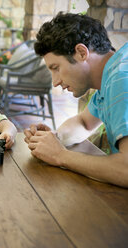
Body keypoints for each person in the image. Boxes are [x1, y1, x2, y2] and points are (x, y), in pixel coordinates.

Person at [23, 12, 128, 187]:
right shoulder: (110, 78)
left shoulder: (121, 80)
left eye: (56, 68)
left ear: (81, 52)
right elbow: (84, 123)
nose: (55, 82)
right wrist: (54, 139)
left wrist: (60, 156)